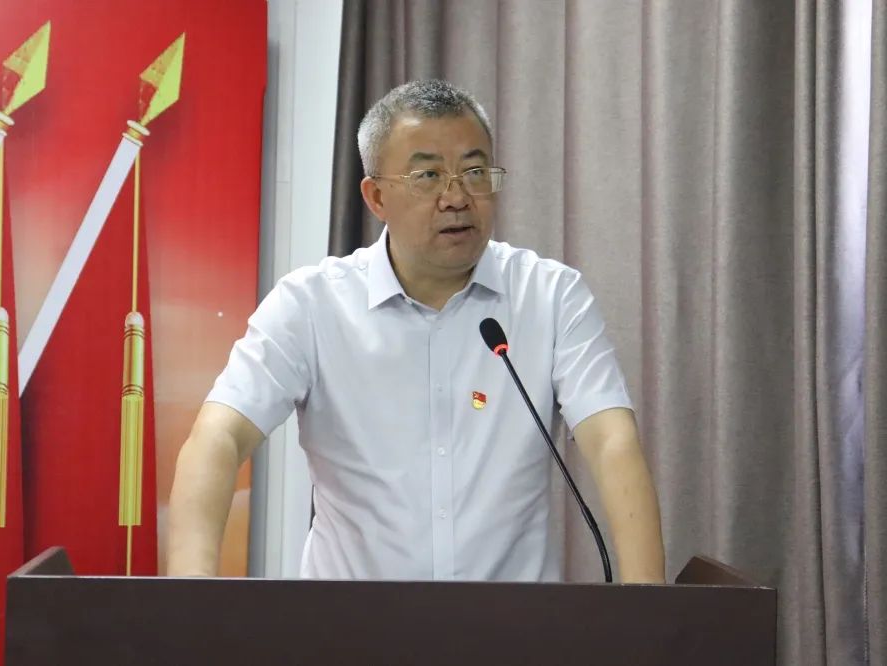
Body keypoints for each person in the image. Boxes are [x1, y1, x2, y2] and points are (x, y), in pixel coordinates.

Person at [167, 80, 665, 583]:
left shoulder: (551, 296)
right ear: (376, 197)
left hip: (513, 622)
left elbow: (612, 442)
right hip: (354, 622)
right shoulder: (312, 305)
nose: (457, 198)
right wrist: (190, 598)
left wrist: (647, 609)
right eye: (428, 176)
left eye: (474, 172)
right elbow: (219, 437)